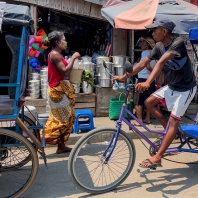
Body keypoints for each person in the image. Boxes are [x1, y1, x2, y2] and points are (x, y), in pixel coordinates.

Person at [113, 18, 197, 169]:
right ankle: (171, 132)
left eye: (154, 30)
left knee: (174, 120)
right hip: (172, 86)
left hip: (186, 89)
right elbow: (143, 64)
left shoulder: (177, 43)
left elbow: (161, 62)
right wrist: (123, 77)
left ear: (164, 31)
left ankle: (158, 157)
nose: (152, 33)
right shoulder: (158, 46)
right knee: (149, 102)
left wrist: (147, 83)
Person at [41, 31, 80, 154]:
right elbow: (65, 72)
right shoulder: (54, 55)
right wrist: (73, 58)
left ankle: (61, 146)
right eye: (64, 39)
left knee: (65, 118)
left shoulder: (58, 54)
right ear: (58, 42)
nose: (66, 42)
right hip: (56, 91)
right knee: (62, 119)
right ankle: (39, 141)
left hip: (60, 90)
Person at [133, 37, 156, 126]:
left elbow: (146, 64)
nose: (141, 44)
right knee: (148, 100)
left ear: (147, 45)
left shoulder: (145, 53)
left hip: (142, 80)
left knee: (138, 101)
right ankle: (147, 118)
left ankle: (139, 120)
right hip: (150, 80)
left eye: (143, 43)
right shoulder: (155, 54)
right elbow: (153, 68)